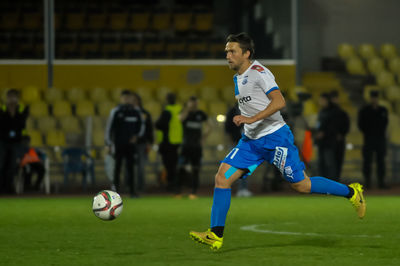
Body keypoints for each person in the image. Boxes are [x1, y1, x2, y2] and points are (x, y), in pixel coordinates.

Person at [189, 32, 366, 251]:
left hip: (275, 139)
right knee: (222, 178)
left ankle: (351, 192)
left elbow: (279, 101)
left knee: (301, 185)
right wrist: (248, 123)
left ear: (246, 53)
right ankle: (215, 235)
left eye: (232, 51)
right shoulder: (237, 78)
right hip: (251, 142)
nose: (227, 55)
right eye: (226, 51)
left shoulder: (259, 73)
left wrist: (250, 119)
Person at [105, 90, 143, 197]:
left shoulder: (136, 112)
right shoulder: (116, 111)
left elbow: (141, 127)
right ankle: (115, 192)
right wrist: (108, 143)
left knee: (131, 168)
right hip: (118, 144)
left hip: (131, 145)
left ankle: (132, 191)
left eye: (128, 97)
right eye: (124, 97)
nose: (127, 99)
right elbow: (109, 128)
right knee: (117, 167)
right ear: (121, 98)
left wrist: (136, 136)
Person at [177, 96, 211, 199]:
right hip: (185, 145)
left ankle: (194, 192)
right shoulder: (185, 113)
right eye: (192, 102)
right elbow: (180, 119)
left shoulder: (201, 114)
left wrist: (204, 138)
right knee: (181, 168)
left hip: (196, 146)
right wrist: (188, 109)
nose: (194, 104)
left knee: (196, 168)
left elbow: (210, 125)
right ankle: (179, 191)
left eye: (195, 102)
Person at [0, 89, 29, 194]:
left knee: (13, 165)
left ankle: (8, 188)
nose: (12, 99)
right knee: (1, 164)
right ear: (7, 98)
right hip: (3, 140)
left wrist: (12, 116)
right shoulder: (2, 109)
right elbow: (2, 124)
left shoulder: (23, 109)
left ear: (18, 98)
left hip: (17, 141)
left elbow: (21, 124)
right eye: (10, 97)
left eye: (14, 97)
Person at [358, 90, 388, 189]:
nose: (374, 99)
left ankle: (381, 182)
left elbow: (385, 124)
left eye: (375, 97)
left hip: (380, 139)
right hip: (369, 139)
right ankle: (367, 182)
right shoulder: (365, 111)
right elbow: (361, 124)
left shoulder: (383, 110)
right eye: (372, 97)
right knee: (367, 161)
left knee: (381, 161)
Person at [155, 93, 183, 192]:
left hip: (167, 142)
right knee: (174, 165)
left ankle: (171, 186)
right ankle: (175, 185)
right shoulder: (180, 110)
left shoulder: (167, 111)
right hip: (177, 141)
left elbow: (159, 125)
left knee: (169, 166)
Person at [225, 103, 253, 196]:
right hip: (235, 144)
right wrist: (231, 142)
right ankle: (227, 185)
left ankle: (242, 188)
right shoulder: (232, 112)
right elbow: (227, 129)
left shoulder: (249, 110)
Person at [131, 92, 154, 193]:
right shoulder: (128, 112)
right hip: (129, 143)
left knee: (141, 166)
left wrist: (150, 142)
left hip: (142, 143)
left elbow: (149, 129)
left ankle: (140, 186)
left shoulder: (145, 113)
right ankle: (129, 186)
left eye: (135, 100)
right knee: (129, 166)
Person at [315, 93, 339, 180]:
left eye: (322, 100)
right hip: (322, 142)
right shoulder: (322, 111)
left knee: (329, 163)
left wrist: (324, 133)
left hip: (329, 142)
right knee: (322, 163)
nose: (320, 102)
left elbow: (333, 127)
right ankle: (324, 184)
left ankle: (332, 183)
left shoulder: (333, 112)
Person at [330, 90, 350, 179]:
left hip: (338, 141)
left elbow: (346, 125)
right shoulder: (328, 112)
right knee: (331, 163)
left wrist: (341, 134)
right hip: (330, 141)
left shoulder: (341, 112)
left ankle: (336, 180)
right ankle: (332, 180)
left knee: (338, 162)